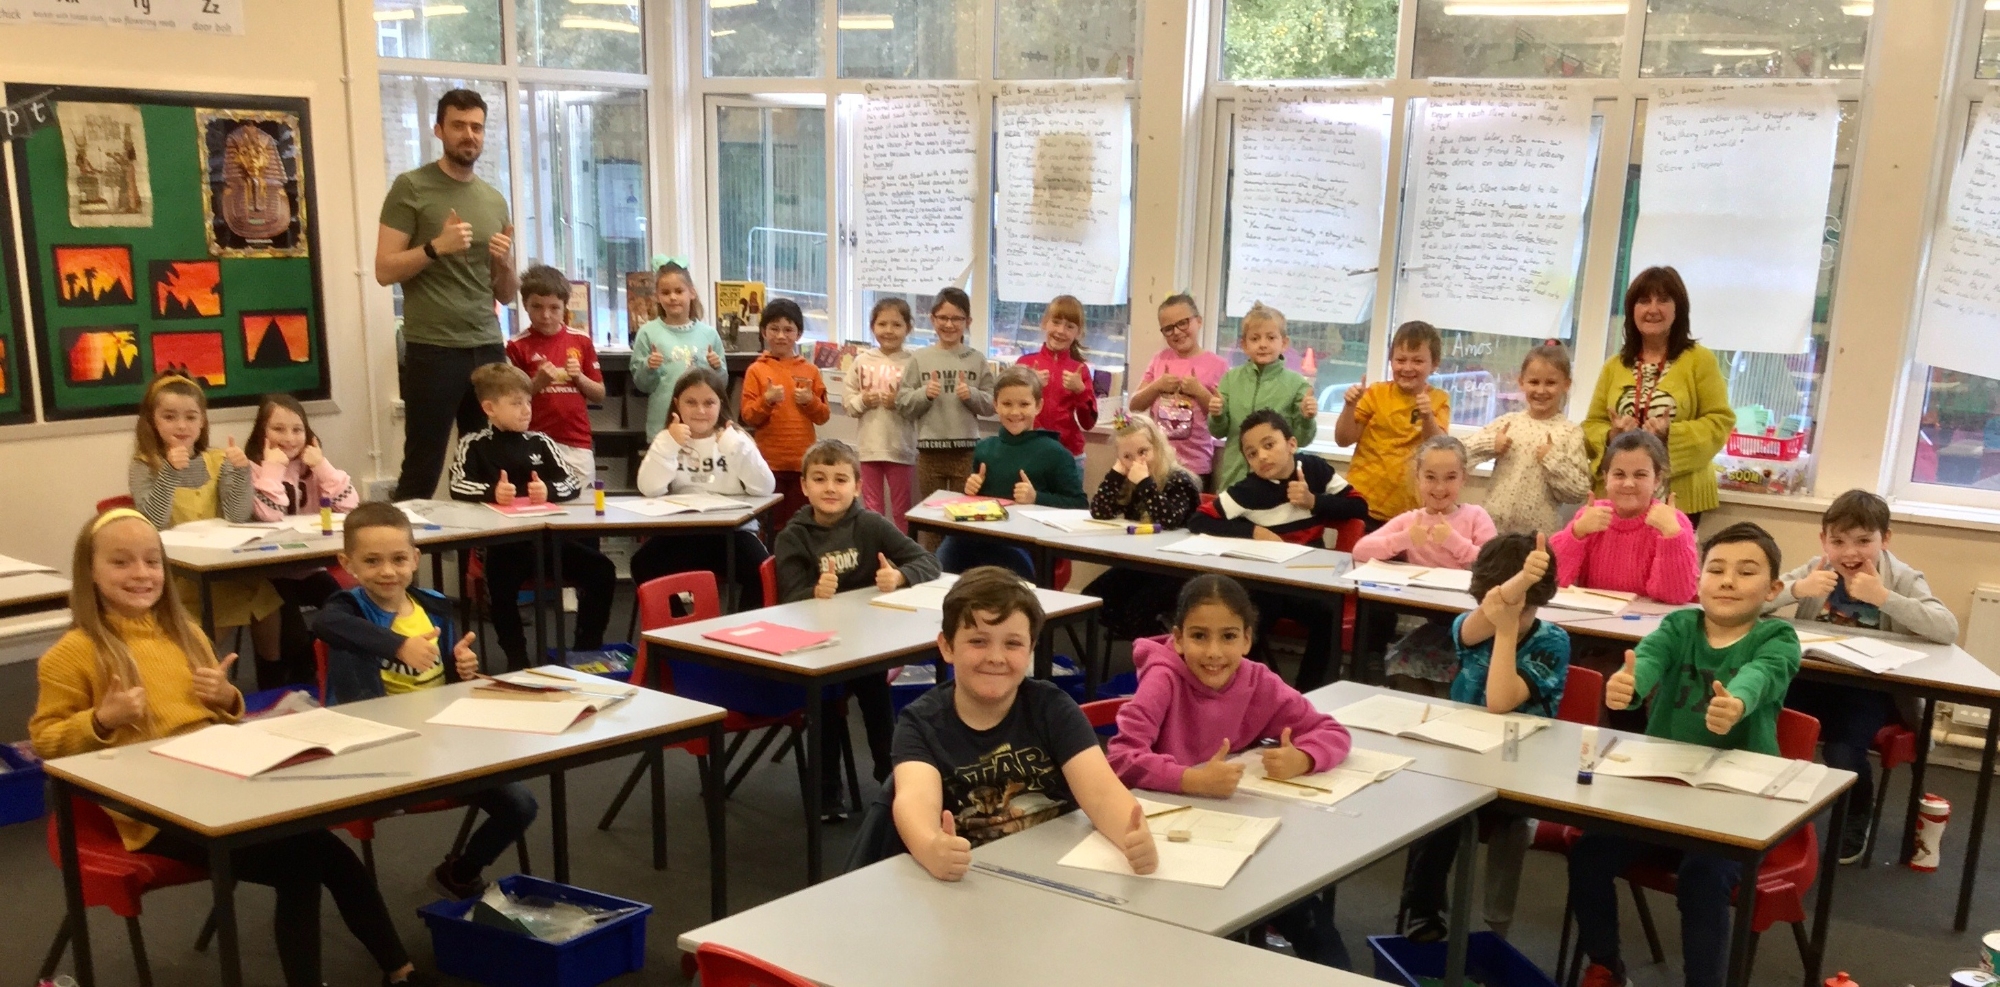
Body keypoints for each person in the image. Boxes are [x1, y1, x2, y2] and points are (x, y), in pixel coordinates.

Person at [30, 509, 434, 987]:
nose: (141, 574)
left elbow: (223, 719)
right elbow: (46, 741)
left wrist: (226, 698)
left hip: (219, 784)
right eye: (121, 562)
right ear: (90, 572)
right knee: (303, 866)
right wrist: (101, 720)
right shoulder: (73, 653)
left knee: (330, 854)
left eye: (152, 562)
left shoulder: (185, 634)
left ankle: (400, 970)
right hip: (153, 813)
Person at [1570, 522, 1798, 987]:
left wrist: (1737, 703)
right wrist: (1630, 685)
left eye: (1746, 572)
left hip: (1735, 804)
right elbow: (1650, 658)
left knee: (1703, 875)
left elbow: (1762, 674)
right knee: (1589, 852)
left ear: (1773, 589)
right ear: (1698, 580)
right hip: (1664, 796)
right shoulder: (1679, 625)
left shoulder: (1777, 638)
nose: (1728, 581)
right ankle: (1605, 966)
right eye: (1716, 569)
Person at [1106, 574, 1353, 967]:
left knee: (1313, 923)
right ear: (1178, 638)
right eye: (1199, 636)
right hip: (1167, 840)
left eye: (1228, 637)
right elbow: (1120, 757)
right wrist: (1191, 779)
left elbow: (1330, 730)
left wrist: (1304, 758)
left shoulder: (1257, 681)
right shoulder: (1163, 678)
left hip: (1236, 834)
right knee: (1201, 950)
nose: (1214, 652)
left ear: (1247, 639)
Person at [314, 502, 537, 900]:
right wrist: (398, 645)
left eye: (399, 559)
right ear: (348, 564)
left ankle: (459, 871)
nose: (387, 571)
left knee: (521, 804)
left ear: (415, 559)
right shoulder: (347, 610)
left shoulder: (433, 605)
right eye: (372, 561)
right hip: (381, 749)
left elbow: (446, 680)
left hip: (439, 744)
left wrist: (461, 667)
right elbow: (325, 624)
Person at [887, 567, 1159, 880]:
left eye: (1013, 644)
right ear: (947, 647)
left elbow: (1102, 793)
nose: (996, 657)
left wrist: (1133, 835)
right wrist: (930, 845)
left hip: (1058, 869)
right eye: (978, 641)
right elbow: (915, 800)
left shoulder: (1052, 708)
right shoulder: (920, 723)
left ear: (1031, 649)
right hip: (972, 874)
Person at [1773, 490, 1958, 863]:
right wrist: (1797, 589)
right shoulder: (1817, 567)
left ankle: (1857, 810)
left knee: (1843, 750)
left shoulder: (1901, 577)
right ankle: (1769, 809)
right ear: (1824, 540)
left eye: (1863, 541)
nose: (1850, 553)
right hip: (1814, 680)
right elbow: (1756, 597)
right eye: (1838, 542)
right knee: (1767, 722)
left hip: (1869, 689)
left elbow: (1947, 628)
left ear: (1884, 539)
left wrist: (1884, 597)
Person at [1400, 534, 1568, 942]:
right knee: (1437, 808)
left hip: (1520, 763)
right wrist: (1510, 595)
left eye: (1524, 610)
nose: (1512, 615)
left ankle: (1496, 929)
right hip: (1464, 757)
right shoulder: (1471, 624)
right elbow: (1479, 624)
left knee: (1510, 828)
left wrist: (1508, 630)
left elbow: (1500, 702)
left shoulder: (1553, 641)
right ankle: (1424, 910)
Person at [775, 439, 941, 819]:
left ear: (857, 486)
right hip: (817, 649)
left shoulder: (870, 524)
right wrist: (813, 592)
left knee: (875, 694)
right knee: (825, 702)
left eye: (840, 479)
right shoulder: (793, 536)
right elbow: (786, 599)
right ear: (804, 486)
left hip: (865, 643)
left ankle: (891, 780)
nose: (830, 488)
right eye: (819, 479)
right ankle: (826, 794)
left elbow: (927, 561)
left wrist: (899, 576)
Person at [377, 88, 517, 501]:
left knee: (492, 465)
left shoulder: (494, 200)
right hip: (433, 349)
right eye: (458, 125)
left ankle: (489, 548)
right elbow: (384, 269)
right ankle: (403, 544)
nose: (468, 135)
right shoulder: (411, 187)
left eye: (476, 127)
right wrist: (437, 247)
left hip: (487, 345)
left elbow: (506, 294)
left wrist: (504, 265)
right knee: (423, 467)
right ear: (439, 130)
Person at [446, 363, 614, 668]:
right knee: (500, 585)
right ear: (489, 408)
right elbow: (458, 485)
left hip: (547, 543)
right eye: (516, 404)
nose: (526, 410)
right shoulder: (474, 444)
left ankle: (586, 649)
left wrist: (548, 490)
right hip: (502, 546)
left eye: (528, 402)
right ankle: (517, 658)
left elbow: (571, 483)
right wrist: (492, 492)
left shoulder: (541, 442)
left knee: (602, 569)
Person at [1189, 410, 1370, 688]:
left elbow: (1359, 506)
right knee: (1251, 614)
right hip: (1267, 581)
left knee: (1328, 614)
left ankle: (1308, 692)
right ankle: (1252, 688)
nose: (1262, 456)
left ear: (1291, 444)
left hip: (1309, 578)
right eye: (1252, 453)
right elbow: (1199, 520)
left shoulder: (1314, 469)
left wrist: (1314, 501)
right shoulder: (1247, 490)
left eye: (1269, 445)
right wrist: (1254, 531)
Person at [128, 373, 283, 672]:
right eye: (170, 417)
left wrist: (240, 472)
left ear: (202, 422)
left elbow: (237, 515)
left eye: (191, 417)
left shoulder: (216, 459)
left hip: (223, 569)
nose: (181, 426)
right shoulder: (144, 465)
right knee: (214, 620)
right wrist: (170, 472)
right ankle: (200, 675)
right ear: (152, 422)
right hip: (179, 578)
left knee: (267, 602)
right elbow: (152, 521)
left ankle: (274, 681)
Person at [1582, 266, 1735, 525]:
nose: (1653, 309)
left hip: (1678, 496)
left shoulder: (1701, 360)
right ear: (1632, 310)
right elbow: (1590, 425)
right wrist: (1611, 435)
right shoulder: (1614, 365)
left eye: (1663, 300)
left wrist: (1669, 434)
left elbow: (1720, 422)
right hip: (1620, 494)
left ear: (1678, 309)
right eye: (1644, 301)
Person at [1353, 435, 1497, 696]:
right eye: (1430, 477)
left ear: (1463, 478)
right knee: (1400, 666)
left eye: (1450, 477)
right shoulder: (1411, 520)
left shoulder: (1476, 516)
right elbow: (1360, 550)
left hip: (1471, 623)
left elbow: (1493, 565)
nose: (1440, 487)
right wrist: (1404, 539)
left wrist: (1454, 542)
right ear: (1417, 478)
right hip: (1432, 618)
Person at [630, 367, 775, 606]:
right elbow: (649, 488)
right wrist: (668, 445)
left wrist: (735, 448)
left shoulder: (736, 438)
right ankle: (678, 626)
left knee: (761, 570)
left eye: (709, 403)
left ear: (720, 404)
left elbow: (765, 487)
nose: (700, 411)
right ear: (677, 404)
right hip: (681, 533)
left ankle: (744, 628)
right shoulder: (666, 438)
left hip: (733, 534)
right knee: (643, 564)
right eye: (691, 402)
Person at [245, 393, 360, 689]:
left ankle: (332, 674)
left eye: (297, 430)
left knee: (348, 610)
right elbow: (269, 514)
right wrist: (273, 468)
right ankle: (280, 686)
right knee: (291, 636)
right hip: (271, 571)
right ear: (261, 433)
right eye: (278, 429)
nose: (289, 438)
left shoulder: (311, 468)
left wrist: (322, 466)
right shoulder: (252, 469)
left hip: (309, 567)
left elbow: (350, 507)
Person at [944, 366, 1086, 579]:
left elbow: (1079, 506)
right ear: (995, 405)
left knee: (1003, 560)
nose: (1015, 412)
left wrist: (1037, 498)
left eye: (1024, 404)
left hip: (1026, 546)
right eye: (1007, 404)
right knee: (949, 550)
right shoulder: (984, 448)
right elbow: (975, 507)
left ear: (1038, 406)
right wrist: (971, 491)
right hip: (979, 538)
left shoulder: (1056, 454)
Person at [1083, 412, 1203, 639]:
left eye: (1143, 452)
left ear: (1157, 447)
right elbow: (1100, 511)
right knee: (1093, 597)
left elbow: (1169, 520)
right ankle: (1131, 636)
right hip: (1141, 563)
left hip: (1177, 568)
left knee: (1138, 611)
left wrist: (1145, 484)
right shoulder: (1127, 479)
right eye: (1127, 456)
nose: (1137, 461)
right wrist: (1115, 475)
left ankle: (1155, 644)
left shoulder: (1179, 480)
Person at [1550, 430, 1699, 604]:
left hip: (1648, 619)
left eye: (1640, 475)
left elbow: (1675, 596)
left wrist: (1672, 535)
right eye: (1619, 474)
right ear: (1606, 478)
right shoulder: (1590, 516)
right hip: (1594, 617)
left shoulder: (1673, 522)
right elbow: (1554, 582)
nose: (1628, 483)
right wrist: (1576, 532)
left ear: (1657, 480)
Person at [897, 288, 994, 548]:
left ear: (968, 322)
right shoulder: (919, 359)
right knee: (934, 520)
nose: (949, 324)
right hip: (930, 453)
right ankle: (932, 566)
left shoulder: (976, 359)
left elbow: (992, 404)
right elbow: (903, 403)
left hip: (966, 452)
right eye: (943, 318)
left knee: (965, 518)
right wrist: (924, 394)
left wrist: (972, 395)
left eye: (957, 318)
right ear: (932, 319)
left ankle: (960, 566)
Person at [1463, 343, 1593, 535]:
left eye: (1550, 383)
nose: (1541, 390)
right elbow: (1457, 456)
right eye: (1534, 382)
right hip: (1493, 531)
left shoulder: (1570, 433)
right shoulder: (1508, 423)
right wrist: (1489, 444)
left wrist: (1553, 461)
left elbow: (1579, 491)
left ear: (1566, 385)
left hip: (1538, 537)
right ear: (1521, 382)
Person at [1336, 320, 1450, 527]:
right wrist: (1349, 406)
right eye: (1400, 360)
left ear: (1434, 364)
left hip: (1409, 511)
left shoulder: (1438, 399)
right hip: (1362, 503)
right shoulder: (1375, 393)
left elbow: (1439, 449)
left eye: (1417, 361)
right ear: (1391, 361)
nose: (1407, 367)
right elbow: (1343, 440)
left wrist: (1427, 417)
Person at [505, 264, 605, 482]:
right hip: (533, 440)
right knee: (537, 498)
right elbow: (511, 401)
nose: (546, 315)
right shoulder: (516, 346)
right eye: (537, 306)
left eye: (554, 308)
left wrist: (579, 377)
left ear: (565, 307)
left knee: (581, 500)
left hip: (576, 442)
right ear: (525, 305)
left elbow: (599, 394)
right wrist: (537, 383)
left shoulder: (581, 341)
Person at [740, 297, 830, 534]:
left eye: (788, 330)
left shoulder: (810, 370)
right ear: (763, 332)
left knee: (802, 523)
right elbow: (748, 416)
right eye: (774, 329)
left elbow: (823, 416)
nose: (781, 336)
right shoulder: (756, 370)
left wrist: (810, 401)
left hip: (803, 462)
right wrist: (767, 401)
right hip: (770, 463)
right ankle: (770, 559)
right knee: (772, 524)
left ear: (798, 334)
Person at [1207, 302, 1318, 491]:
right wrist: (1217, 414)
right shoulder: (1231, 379)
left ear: (1284, 343)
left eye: (1271, 337)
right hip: (1235, 479)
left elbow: (1301, 440)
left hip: (1277, 484)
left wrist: (1307, 419)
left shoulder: (1296, 384)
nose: (1263, 344)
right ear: (1244, 345)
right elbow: (1218, 432)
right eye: (1255, 338)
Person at [1130, 293, 1227, 487]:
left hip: (1196, 466)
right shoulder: (1159, 359)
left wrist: (1199, 391)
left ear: (1198, 321)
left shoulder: (1218, 365)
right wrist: (1157, 386)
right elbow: (1135, 405)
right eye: (1168, 328)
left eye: (1183, 323)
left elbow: (1222, 418)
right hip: (1158, 462)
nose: (1176, 332)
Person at [629, 259, 725, 443]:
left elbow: (721, 386)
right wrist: (649, 367)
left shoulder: (709, 335)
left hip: (702, 427)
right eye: (665, 293)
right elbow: (642, 384)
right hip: (663, 426)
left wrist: (717, 368)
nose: (672, 297)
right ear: (657, 297)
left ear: (692, 293)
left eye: (679, 291)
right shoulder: (648, 333)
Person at [846, 298, 919, 531]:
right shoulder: (861, 361)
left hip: (901, 448)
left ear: (908, 328)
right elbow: (849, 402)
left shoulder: (913, 363)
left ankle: (900, 549)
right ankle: (874, 548)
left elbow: (921, 404)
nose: (889, 330)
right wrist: (863, 401)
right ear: (872, 327)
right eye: (882, 324)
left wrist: (899, 402)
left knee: (901, 509)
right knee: (871, 508)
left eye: (896, 325)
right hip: (869, 447)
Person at [1015, 294, 1100, 474]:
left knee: (1068, 495)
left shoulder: (1080, 370)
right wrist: (1030, 386)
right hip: (1029, 452)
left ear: (1078, 333)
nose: (1061, 331)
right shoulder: (1024, 363)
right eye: (1056, 322)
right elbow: (1010, 412)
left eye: (1069, 326)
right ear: (1044, 323)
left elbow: (1088, 423)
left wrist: (1081, 391)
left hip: (1069, 456)